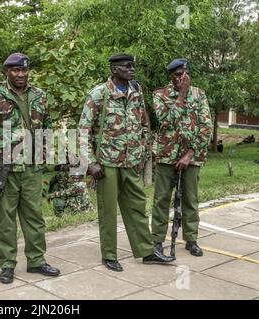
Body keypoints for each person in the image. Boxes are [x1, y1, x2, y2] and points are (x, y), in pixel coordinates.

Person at [78, 53, 175, 272]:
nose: (132, 69)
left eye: (133, 66)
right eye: (127, 66)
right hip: (107, 164)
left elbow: (142, 123)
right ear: (114, 70)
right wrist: (90, 163)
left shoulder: (136, 92)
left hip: (131, 162)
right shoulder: (99, 94)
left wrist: (142, 150)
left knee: (137, 206)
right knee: (108, 211)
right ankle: (109, 255)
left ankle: (147, 251)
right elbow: (82, 131)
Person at [0, 53, 60, 284]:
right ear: (6, 72)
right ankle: (7, 265)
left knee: (34, 216)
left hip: (32, 169)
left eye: (24, 70)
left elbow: (47, 126)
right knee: (5, 220)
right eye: (16, 70)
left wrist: (44, 153)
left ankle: (36, 260)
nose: (21, 75)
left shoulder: (39, 96)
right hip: (5, 170)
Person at [151, 58, 213, 257]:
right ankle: (157, 241)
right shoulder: (160, 95)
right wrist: (182, 95)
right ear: (171, 77)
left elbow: (206, 128)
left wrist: (190, 154)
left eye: (185, 73)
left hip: (192, 156)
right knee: (161, 199)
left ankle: (191, 239)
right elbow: (165, 122)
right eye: (177, 75)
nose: (182, 78)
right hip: (166, 155)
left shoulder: (200, 94)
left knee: (190, 199)